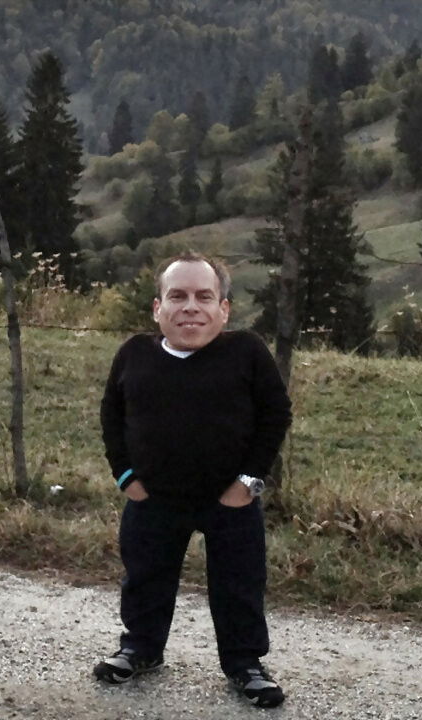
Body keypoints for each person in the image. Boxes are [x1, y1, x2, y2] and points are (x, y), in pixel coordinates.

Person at [94, 251, 292, 709]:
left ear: (224, 309)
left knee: (239, 584)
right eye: (177, 296)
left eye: (204, 297)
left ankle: (245, 664)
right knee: (144, 577)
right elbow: (111, 416)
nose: (190, 307)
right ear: (157, 308)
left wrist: (249, 482)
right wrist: (125, 477)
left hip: (230, 499)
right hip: (153, 497)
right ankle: (140, 649)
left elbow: (275, 414)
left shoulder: (247, 352)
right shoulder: (134, 354)